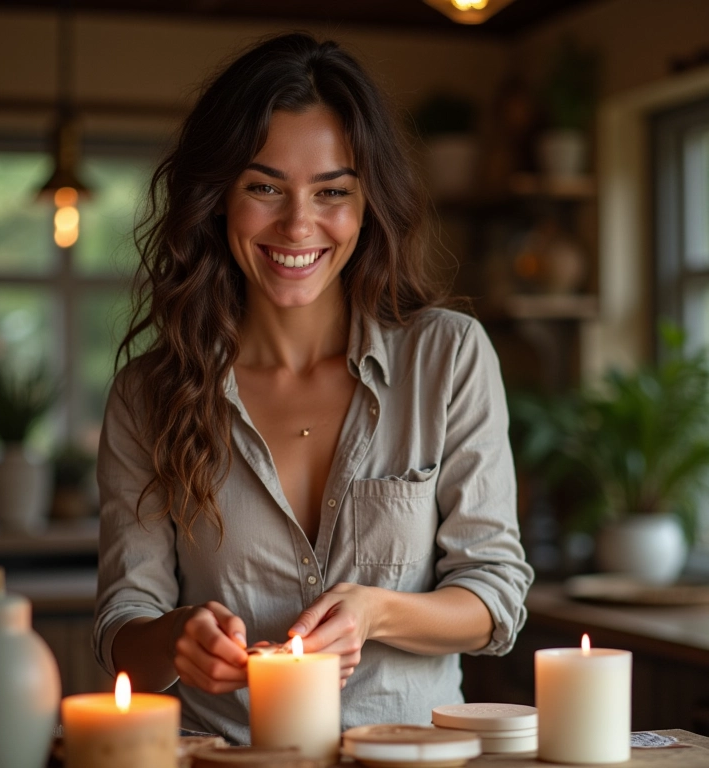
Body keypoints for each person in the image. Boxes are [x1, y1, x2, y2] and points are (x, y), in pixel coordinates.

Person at [92, 31, 533, 744]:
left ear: (367, 206)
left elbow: (495, 596)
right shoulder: (148, 395)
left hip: (410, 760)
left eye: (332, 192)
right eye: (264, 187)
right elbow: (121, 627)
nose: (298, 224)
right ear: (217, 200)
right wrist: (175, 637)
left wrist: (378, 612)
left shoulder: (447, 358)